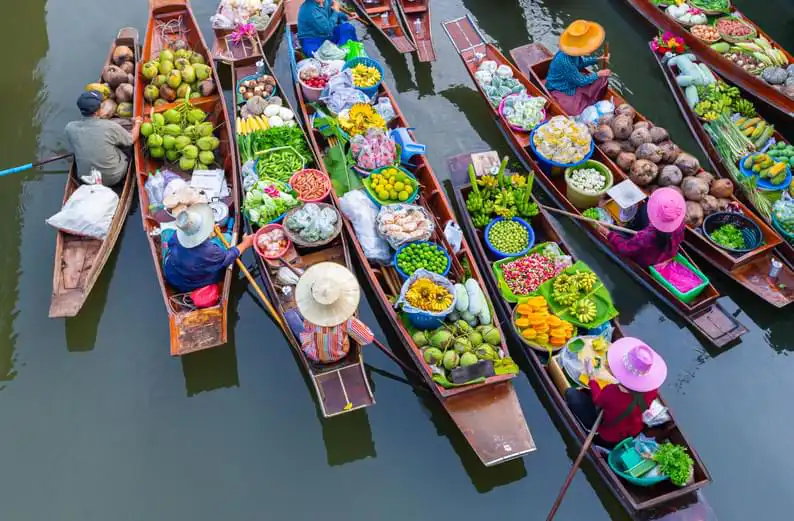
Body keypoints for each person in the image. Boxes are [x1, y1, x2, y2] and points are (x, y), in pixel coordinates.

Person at [565, 337, 668, 448]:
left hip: (608, 436)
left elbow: (597, 400)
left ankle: (591, 432)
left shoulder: (611, 392)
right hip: (633, 430)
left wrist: (591, 377)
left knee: (571, 394)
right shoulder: (652, 389)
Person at [162, 203, 254, 293]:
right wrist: (246, 243)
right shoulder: (209, 251)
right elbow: (227, 257)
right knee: (228, 239)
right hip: (189, 284)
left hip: (171, 273)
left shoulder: (176, 236)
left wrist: (208, 235)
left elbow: (175, 245)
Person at [295, 262, 374, 364]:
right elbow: (368, 339)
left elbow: (308, 329)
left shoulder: (309, 316)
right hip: (340, 354)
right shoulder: (346, 320)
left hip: (315, 355)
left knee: (290, 315)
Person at [65, 91, 143, 186]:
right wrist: (137, 123)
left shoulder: (69, 128)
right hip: (112, 178)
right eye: (102, 105)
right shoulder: (110, 126)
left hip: (86, 179)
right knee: (127, 147)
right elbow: (132, 139)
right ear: (97, 112)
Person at [598, 187, 686, 268]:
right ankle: (632, 225)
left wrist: (608, 233)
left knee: (614, 230)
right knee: (645, 207)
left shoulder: (647, 236)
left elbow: (625, 249)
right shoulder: (679, 222)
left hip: (645, 259)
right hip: (659, 250)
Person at [545, 20, 611, 116]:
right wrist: (598, 74)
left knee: (598, 80)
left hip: (572, 78)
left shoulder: (573, 53)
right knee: (575, 111)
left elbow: (580, 64)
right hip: (559, 86)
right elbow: (580, 81)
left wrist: (599, 59)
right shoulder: (565, 61)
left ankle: (586, 97)